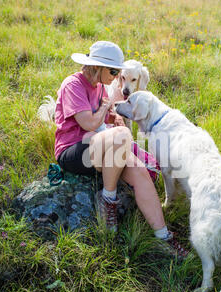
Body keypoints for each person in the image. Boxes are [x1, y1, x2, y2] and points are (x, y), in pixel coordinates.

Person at [54, 41, 188, 259]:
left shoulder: (98, 87)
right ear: (97, 67)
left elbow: (101, 119)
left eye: (119, 73)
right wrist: (109, 109)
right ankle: (109, 201)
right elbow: (88, 123)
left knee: (139, 171)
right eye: (115, 72)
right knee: (123, 135)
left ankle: (164, 237)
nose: (117, 78)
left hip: (99, 149)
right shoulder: (73, 84)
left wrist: (113, 117)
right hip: (73, 152)